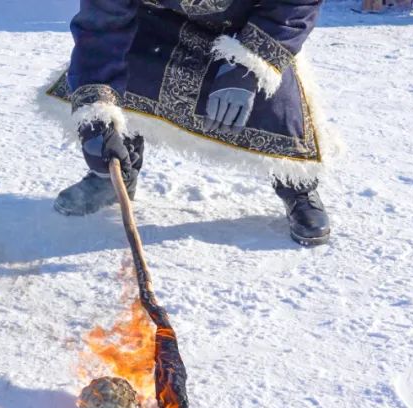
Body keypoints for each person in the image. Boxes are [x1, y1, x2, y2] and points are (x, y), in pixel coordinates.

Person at [40, 0, 339, 246]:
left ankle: (297, 185)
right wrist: (97, 118)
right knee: (118, 75)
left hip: (244, 32)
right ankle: (118, 174)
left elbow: (296, 4)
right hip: (157, 27)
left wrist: (246, 67)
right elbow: (103, 26)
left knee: (278, 105)